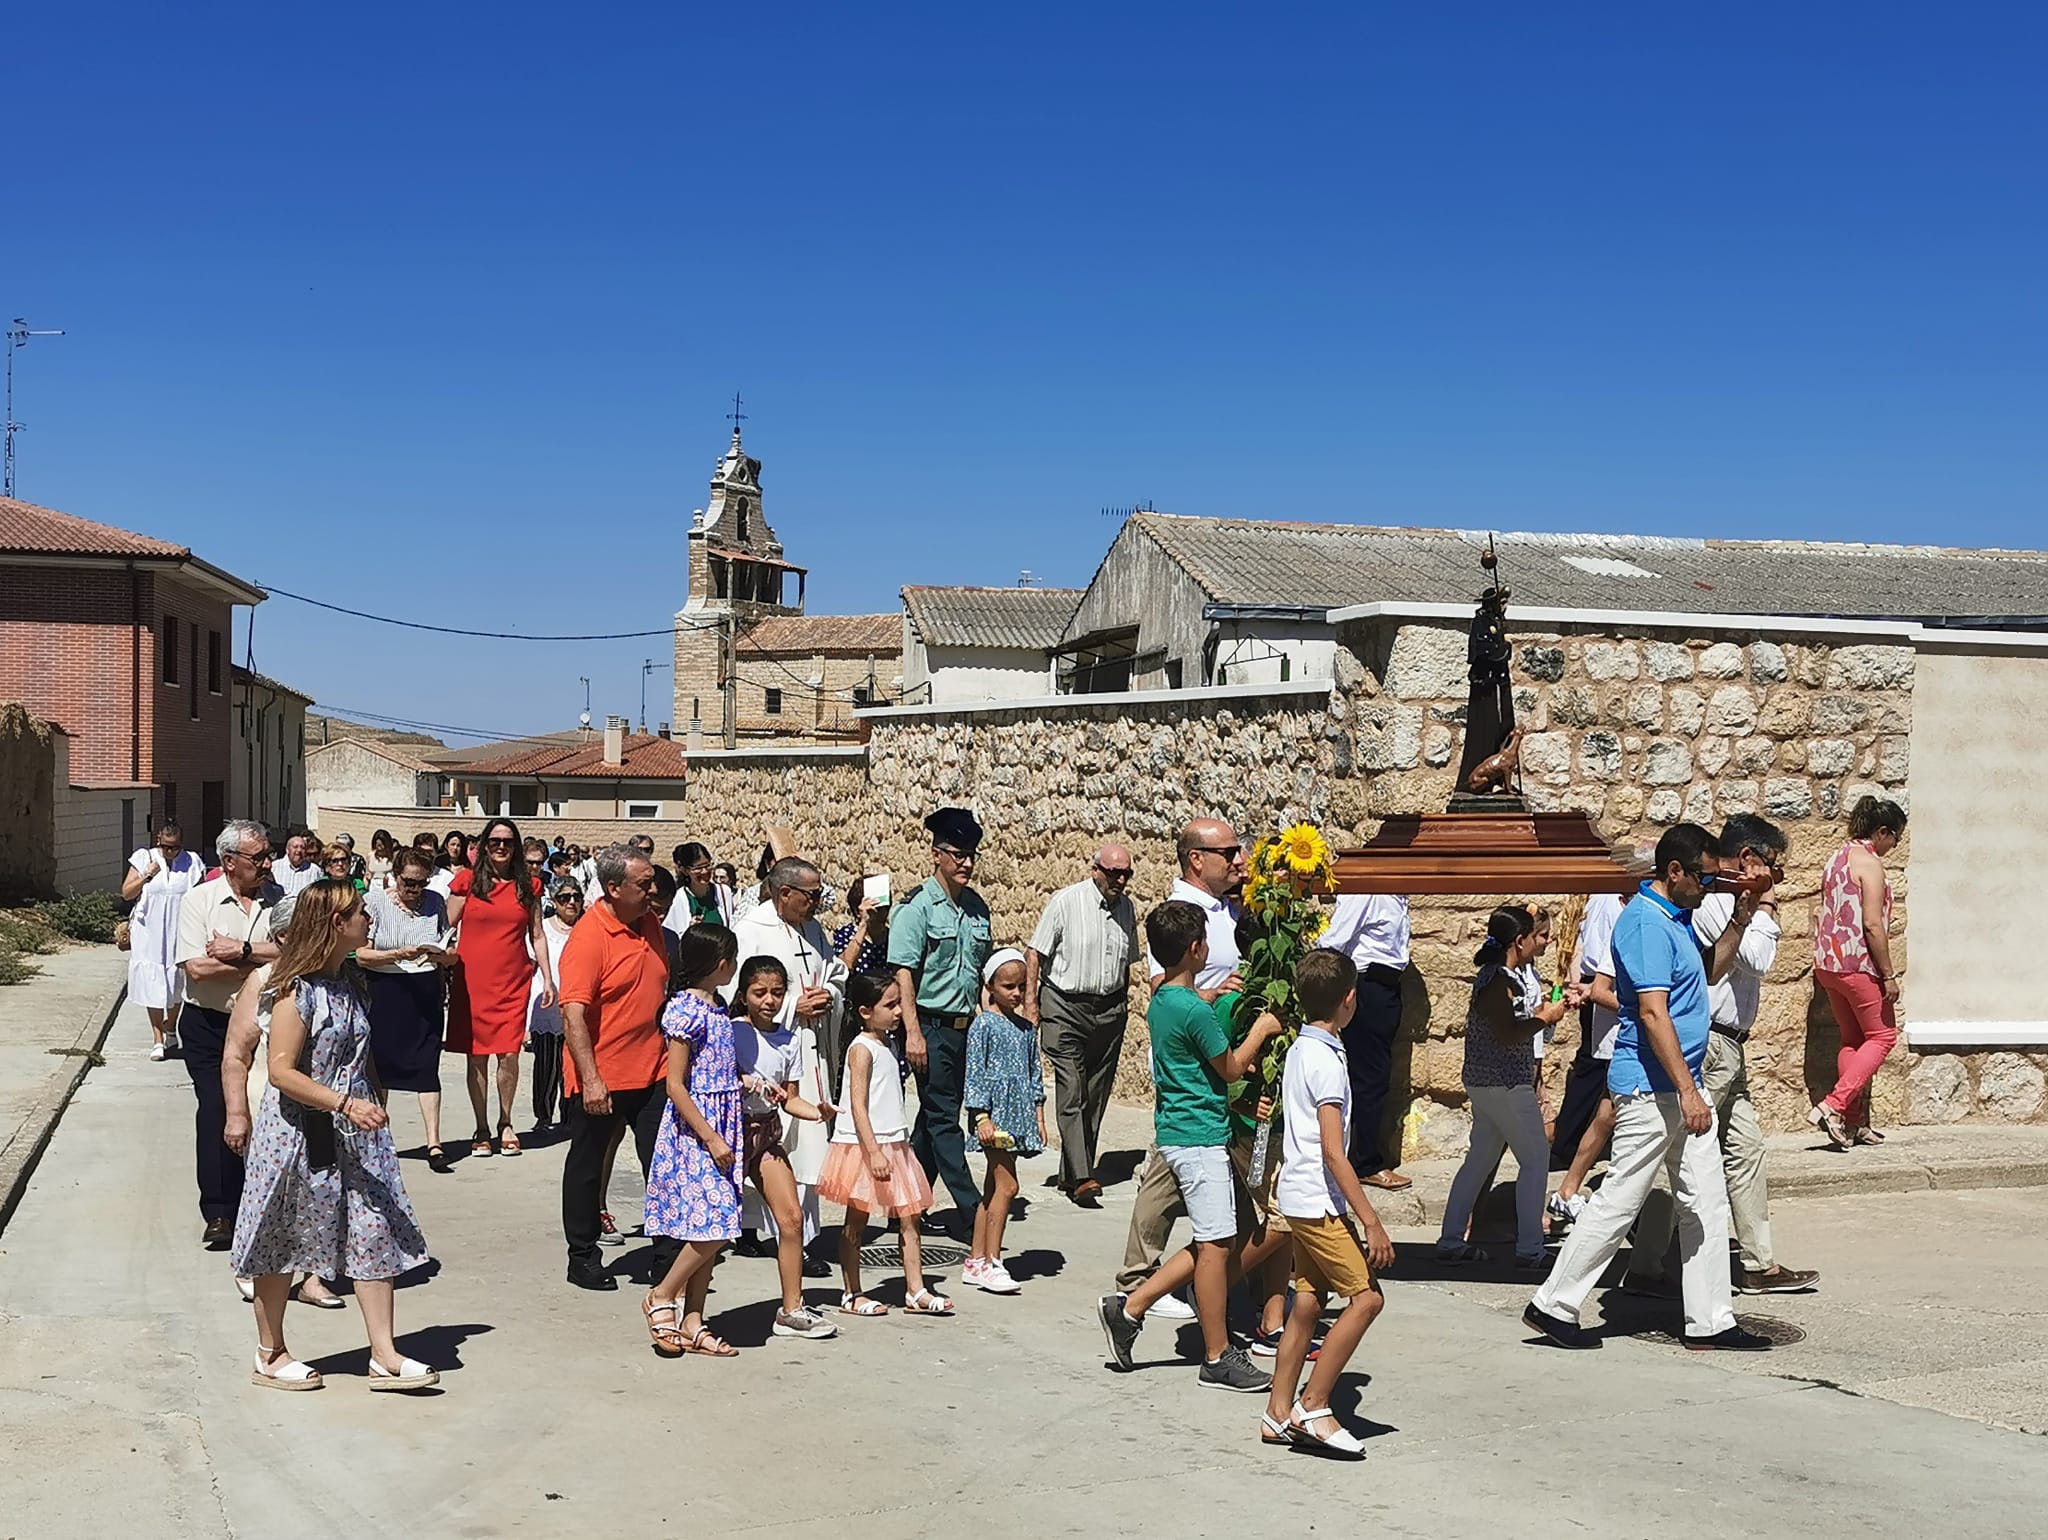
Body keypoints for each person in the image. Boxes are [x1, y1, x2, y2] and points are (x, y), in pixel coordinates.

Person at [1525, 823, 1770, 1352]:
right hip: (1651, 1089)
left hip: (1680, 1085)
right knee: (1620, 1198)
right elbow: (1654, 1014)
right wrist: (1687, 1090)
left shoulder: (1675, 919)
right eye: (1703, 877)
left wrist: (1743, 914)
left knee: (1705, 1202)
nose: (1709, 886)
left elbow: (1707, 970)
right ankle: (1553, 1303)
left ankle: (1711, 1321)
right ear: (1674, 871)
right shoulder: (1644, 923)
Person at [230, 879, 438, 1391]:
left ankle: (384, 1354)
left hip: (355, 1135)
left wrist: (369, 1101)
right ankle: (271, 1353)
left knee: (374, 1231)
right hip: (298, 1136)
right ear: (334, 924)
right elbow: (280, 1070)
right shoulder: (294, 988)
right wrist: (344, 1102)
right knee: (281, 1240)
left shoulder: (348, 980)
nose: (368, 918)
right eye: (359, 912)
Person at [1097, 899, 1284, 1392]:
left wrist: (1207, 995)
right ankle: (1218, 1355)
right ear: (1197, 948)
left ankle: (1129, 1306)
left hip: (1181, 1132)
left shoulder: (1166, 1000)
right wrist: (1263, 1029)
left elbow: (1188, 1005)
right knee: (1218, 1245)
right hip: (1201, 1137)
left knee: (1210, 1239)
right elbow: (1231, 1067)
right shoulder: (1194, 1012)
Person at [1639, 815, 1820, 1295]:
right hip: (1713, 1043)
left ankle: (1759, 1263)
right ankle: (1647, 1264)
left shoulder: (1732, 901)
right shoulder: (1718, 900)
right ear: (1748, 859)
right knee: (1674, 1148)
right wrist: (1765, 904)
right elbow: (1757, 960)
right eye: (1773, 867)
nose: (1777, 878)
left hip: (1732, 1046)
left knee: (1746, 1151)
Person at [1261, 947, 1396, 1458]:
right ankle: (1313, 1405)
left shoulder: (1301, 1049)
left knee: (1309, 1303)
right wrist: (1372, 1220)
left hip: (1297, 1196)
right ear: (1350, 1000)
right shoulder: (1329, 1063)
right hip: (1319, 1202)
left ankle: (1276, 1412)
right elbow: (1335, 1154)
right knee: (1367, 1299)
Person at [1115, 817, 1249, 1309]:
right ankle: (1142, 1278)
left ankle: (1215, 1268)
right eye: (1228, 852)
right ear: (1196, 859)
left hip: (1215, 1053)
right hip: (1194, 1059)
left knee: (1179, 1162)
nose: (1239, 860)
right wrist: (1215, 995)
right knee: (1171, 1163)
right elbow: (1161, 990)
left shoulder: (1225, 908)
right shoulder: (1179, 916)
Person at [557, 845, 680, 1292]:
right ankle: (583, 1256)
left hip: (653, 1073)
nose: (653, 891)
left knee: (663, 1165)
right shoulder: (589, 938)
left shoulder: (651, 925)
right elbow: (573, 1014)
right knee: (588, 1168)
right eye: (643, 884)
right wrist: (590, 1078)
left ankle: (666, 1259)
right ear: (614, 888)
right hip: (603, 1077)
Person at [220, 890, 348, 1311]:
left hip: (326, 1108)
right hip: (273, 1105)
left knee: (324, 1192)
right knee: (273, 1196)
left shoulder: (334, 976)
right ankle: (252, 1268)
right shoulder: (266, 980)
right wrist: (236, 1113)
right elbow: (237, 1053)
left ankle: (314, 1276)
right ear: (284, 935)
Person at [1437, 906, 1576, 1271]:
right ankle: (1530, 1248)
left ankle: (1451, 1239)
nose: (1540, 942)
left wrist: (1545, 1014)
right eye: (1536, 936)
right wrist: (1545, 1017)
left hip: (1490, 1082)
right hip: (1503, 1082)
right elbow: (1508, 1031)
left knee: (1480, 1159)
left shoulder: (1503, 977)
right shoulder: (1499, 980)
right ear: (1520, 940)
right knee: (1535, 1159)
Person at [175, 820, 284, 1249]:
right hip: (209, 1022)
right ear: (229, 862)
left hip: (262, 1022)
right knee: (219, 1107)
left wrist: (238, 951)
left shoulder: (278, 901)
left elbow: (300, 946)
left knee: (261, 1107)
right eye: (257, 858)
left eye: (266, 855)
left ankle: (260, 1201)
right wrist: (262, 958)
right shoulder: (199, 901)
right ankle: (220, 1210)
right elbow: (197, 967)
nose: (266, 864)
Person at [639, 922, 746, 1358]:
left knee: (711, 1225)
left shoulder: (718, 1008)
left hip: (724, 1120)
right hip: (698, 1129)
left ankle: (694, 1319)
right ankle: (662, 1294)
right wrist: (711, 1137)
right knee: (714, 1221)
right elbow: (676, 1084)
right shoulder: (685, 1012)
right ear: (722, 965)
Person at [889, 808, 994, 1234]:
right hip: (929, 1025)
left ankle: (905, 1208)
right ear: (936, 855)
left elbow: (981, 971)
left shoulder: (976, 908)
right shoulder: (917, 908)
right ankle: (973, 1212)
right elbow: (904, 974)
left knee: (932, 1120)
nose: (966, 863)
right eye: (957, 854)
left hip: (964, 1026)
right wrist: (912, 1032)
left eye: (971, 855)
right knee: (944, 1120)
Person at [821, 972, 951, 1318]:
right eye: (890, 1005)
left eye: (899, 1003)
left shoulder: (888, 1044)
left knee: (910, 1217)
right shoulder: (861, 1049)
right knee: (857, 1222)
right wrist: (873, 1151)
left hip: (895, 1142)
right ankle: (851, 1292)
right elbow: (857, 1105)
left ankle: (916, 1289)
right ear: (865, 1011)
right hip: (867, 1147)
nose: (898, 1012)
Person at [730, 954, 837, 1339]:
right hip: (728, 1135)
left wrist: (817, 1112)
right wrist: (747, 1082)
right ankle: (680, 1302)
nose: (769, 1000)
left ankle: (791, 1308)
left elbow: (790, 1098)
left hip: (765, 1136)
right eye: (760, 992)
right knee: (710, 1227)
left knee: (791, 1219)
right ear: (743, 994)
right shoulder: (730, 1032)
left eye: (777, 992)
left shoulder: (790, 1040)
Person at [1026, 844, 1137, 1205]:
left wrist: (1122, 1002)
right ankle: (1084, 1176)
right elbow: (1036, 953)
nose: (1120, 880)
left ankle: (1071, 1171)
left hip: (1108, 1010)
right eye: (1113, 873)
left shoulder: (1128, 909)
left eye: (1126, 874)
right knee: (1072, 1087)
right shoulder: (1066, 902)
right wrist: (1031, 1003)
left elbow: (1127, 961)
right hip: (1064, 1005)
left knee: (1096, 1093)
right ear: (1095, 870)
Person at [445, 818, 554, 1159]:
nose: (502, 847)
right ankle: (481, 1127)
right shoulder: (466, 881)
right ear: (484, 845)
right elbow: (443, 925)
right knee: (476, 1055)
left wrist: (548, 977)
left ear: (516, 846)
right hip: (471, 979)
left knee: (509, 1053)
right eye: (495, 841)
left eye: (508, 841)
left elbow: (537, 934)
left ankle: (505, 1122)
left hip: (513, 980)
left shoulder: (529, 886)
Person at [1811, 796, 1908, 1149]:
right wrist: (1889, 974)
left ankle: (1854, 1123)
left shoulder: (1836, 859)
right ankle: (1834, 1107)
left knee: (1852, 1040)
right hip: (1858, 965)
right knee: (1883, 1037)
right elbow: (1871, 924)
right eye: (1895, 837)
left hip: (1828, 965)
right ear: (1882, 832)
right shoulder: (1870, 863)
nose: (1894, 846)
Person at [358, 848, 458, 1171]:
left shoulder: (434, 903)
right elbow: (361, 954)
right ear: (395, 877)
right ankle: (378, 1139)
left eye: (421, 882)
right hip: (386, 989)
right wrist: (397, 953)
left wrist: (442, 956)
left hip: (425, 989)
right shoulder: (375, 902)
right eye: (409, 883)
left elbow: (450, 948)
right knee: (380, 1066)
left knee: (427, 1064)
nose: (415, 890)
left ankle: (434, 1142)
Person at [1312, 891, 1414, 1191]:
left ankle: (1361, 1157)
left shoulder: (1397, 894)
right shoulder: (1368, 890)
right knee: (1370, 1077)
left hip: (1386, 986)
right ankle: (1364, 1162)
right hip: (1368, 985)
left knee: (1376, 1075)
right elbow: (1334, 941)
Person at [963, 950, 1046, 1294]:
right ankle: (993, 1261)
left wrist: (1039, 1115)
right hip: (993, 1118)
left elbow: (1034, 1072)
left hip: (1019, 1115)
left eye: (1021, 986)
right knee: (1008, 1186)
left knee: (992, 1188)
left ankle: (976, 1259)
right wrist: (980, 1115)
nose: (1015, 993)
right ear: (990, 986)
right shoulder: (983, 1024)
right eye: (1008, 986)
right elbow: (975, 1073)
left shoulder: (1027, 1029)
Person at [1547, 888, 1628, 1221]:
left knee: (1604, 1097)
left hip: (1600, 987)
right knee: (1595, 1076)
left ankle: (1568, 1182)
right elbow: (1597, 954)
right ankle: (1566, 1155)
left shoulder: (1607, 902)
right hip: (1608, 992)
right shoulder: (1615, 908)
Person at [124, 819, 207, 1060]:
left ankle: (171, 1028)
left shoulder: (191, 862)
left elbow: (200, 895)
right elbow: (127, 892)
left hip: (180, 930)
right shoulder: (143, 858)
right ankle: (157, 1038)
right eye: (166, 847)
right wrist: (146, 876)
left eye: (175, 847)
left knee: (176, 983)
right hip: (149, 930)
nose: (170, 852)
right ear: (158, 842)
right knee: (153, 982)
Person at [528, 878, 582, 1135]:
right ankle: (543, 1116)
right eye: (564, 897)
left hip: (578, 1011)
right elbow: (529, 972)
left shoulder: (587, 928)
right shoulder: (543, 931)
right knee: (546, 1067)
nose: (571, 902)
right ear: (553, 902)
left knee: (572, 1067)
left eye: (576, 896)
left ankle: (571, 1118)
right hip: (547, 1008)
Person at [832, 873, 893, 976]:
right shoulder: (846, 935)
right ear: (857, 911)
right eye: (876, 909)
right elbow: (845, 965)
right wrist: (864, 923)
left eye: (886, 907)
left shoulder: (894, 939)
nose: (882, 913)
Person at [667, 842, 735, 932]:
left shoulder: (724, 892)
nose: (704, 871)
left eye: (707, 865)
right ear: (685, 871)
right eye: (698, 868)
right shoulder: (677, 899)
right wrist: (689, 930)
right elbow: (671, 936)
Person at [274, 829, 320, 898]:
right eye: (295, 847)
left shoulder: (314, 870)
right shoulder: (275, 867)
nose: (299, 850)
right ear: (287, 850)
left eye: (302, 848)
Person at [428, 829, 469, 899]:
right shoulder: (438, 863)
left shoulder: (466, 867)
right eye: (452, 844)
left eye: (458, 845)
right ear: (446, 845)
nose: (455, 848)